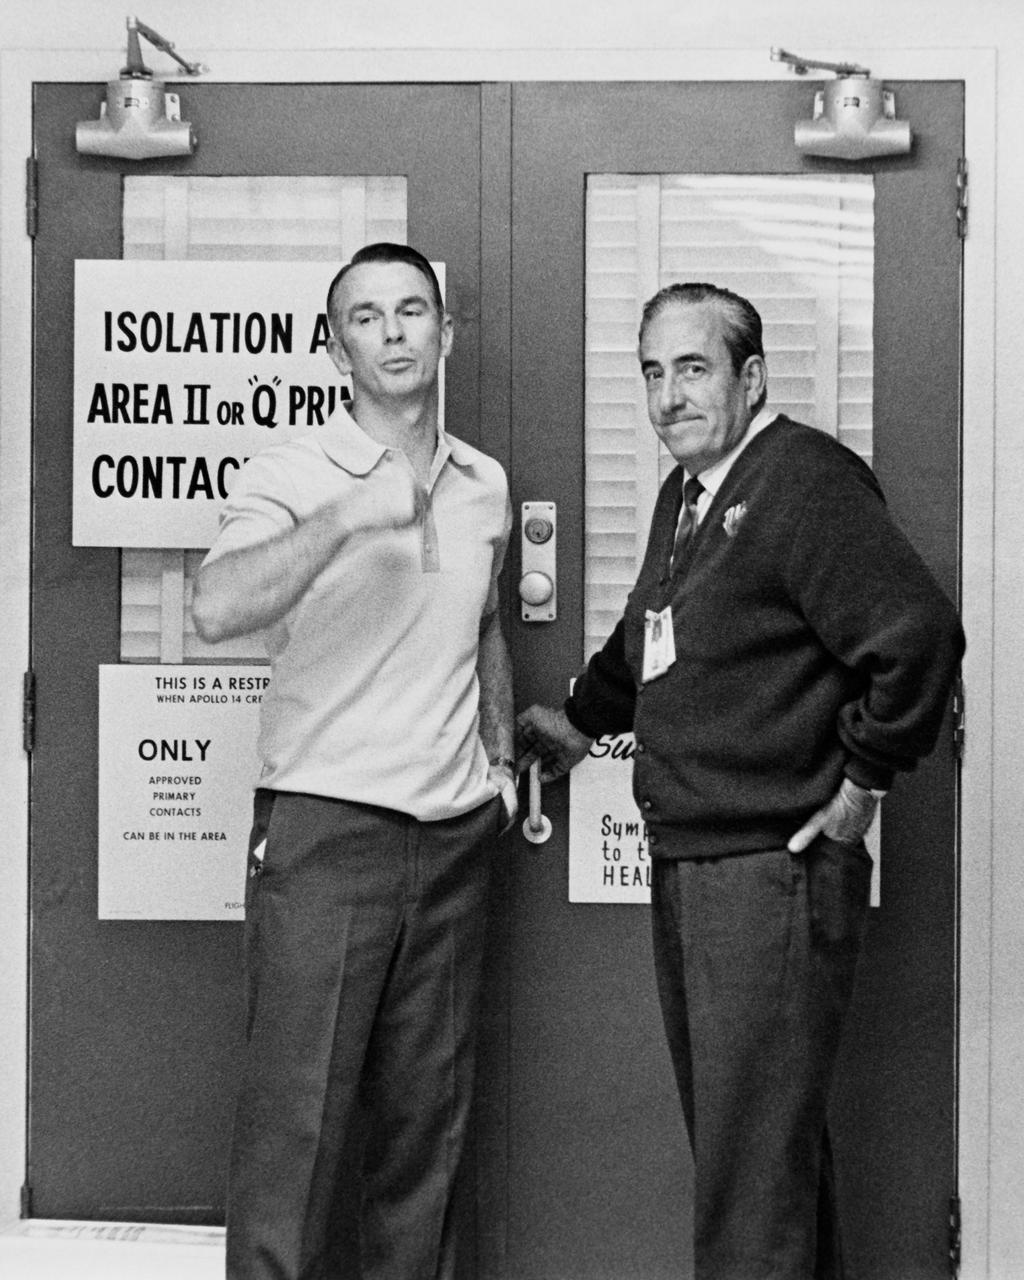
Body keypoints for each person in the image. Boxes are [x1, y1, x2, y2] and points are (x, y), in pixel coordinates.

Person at [517, 282, 965, 1280]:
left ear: (751, 376)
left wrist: (863, 782)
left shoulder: (802, 481)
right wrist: (581, 721)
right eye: (651, 372)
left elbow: (920, 636)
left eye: (693, 368)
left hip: (768, 873)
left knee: (749, 1177)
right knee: (768, 1162)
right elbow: (650, 637)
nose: (668, 396)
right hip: (702, 860)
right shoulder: (691, 493)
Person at [192, 242, 517, 1280]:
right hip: (327, 830)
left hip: (453, 836)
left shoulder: (483, 482)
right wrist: (347, 516)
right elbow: (215, 607)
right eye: (365, 317)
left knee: (428, 1135)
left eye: (412, 310)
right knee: (295, 1130)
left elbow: (485, 622)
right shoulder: (291, 472)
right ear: (336, 349)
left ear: (445, 332)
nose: (392, 332)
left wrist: (500, 758)